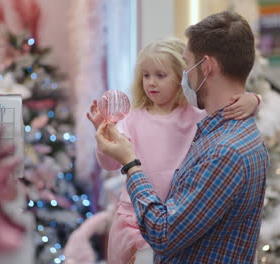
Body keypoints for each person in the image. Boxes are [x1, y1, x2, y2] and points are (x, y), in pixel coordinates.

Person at [95, 11, 269, 263]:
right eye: (147, 74)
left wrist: (131, 165)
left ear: (206, 66)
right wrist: (253, 100)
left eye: (187, 65)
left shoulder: (224, 150)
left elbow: (163, 233)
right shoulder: (218, 129)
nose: (185, 74)